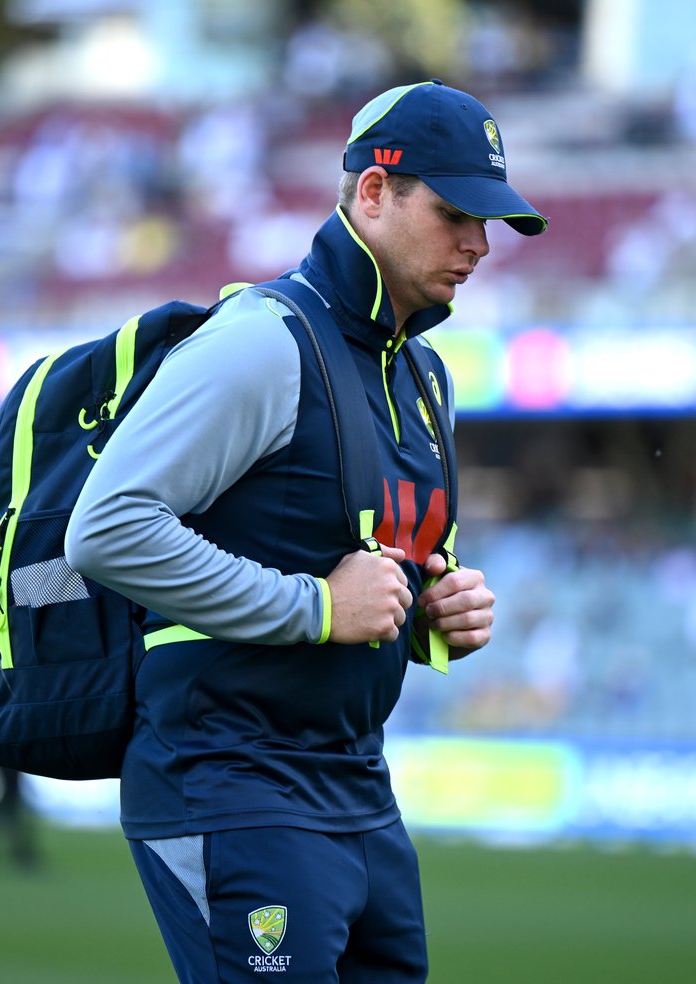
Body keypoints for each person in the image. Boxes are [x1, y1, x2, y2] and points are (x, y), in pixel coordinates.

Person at [65, 79, 546, 983]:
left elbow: (356, 571)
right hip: (229, 777)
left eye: (491, 221)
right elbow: (108, 529)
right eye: (454, 213)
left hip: (358, 785)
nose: (479, 244)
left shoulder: (425, 373)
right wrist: (317, 606)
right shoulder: (263, 339)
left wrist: (434, 610)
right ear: (372, 193)